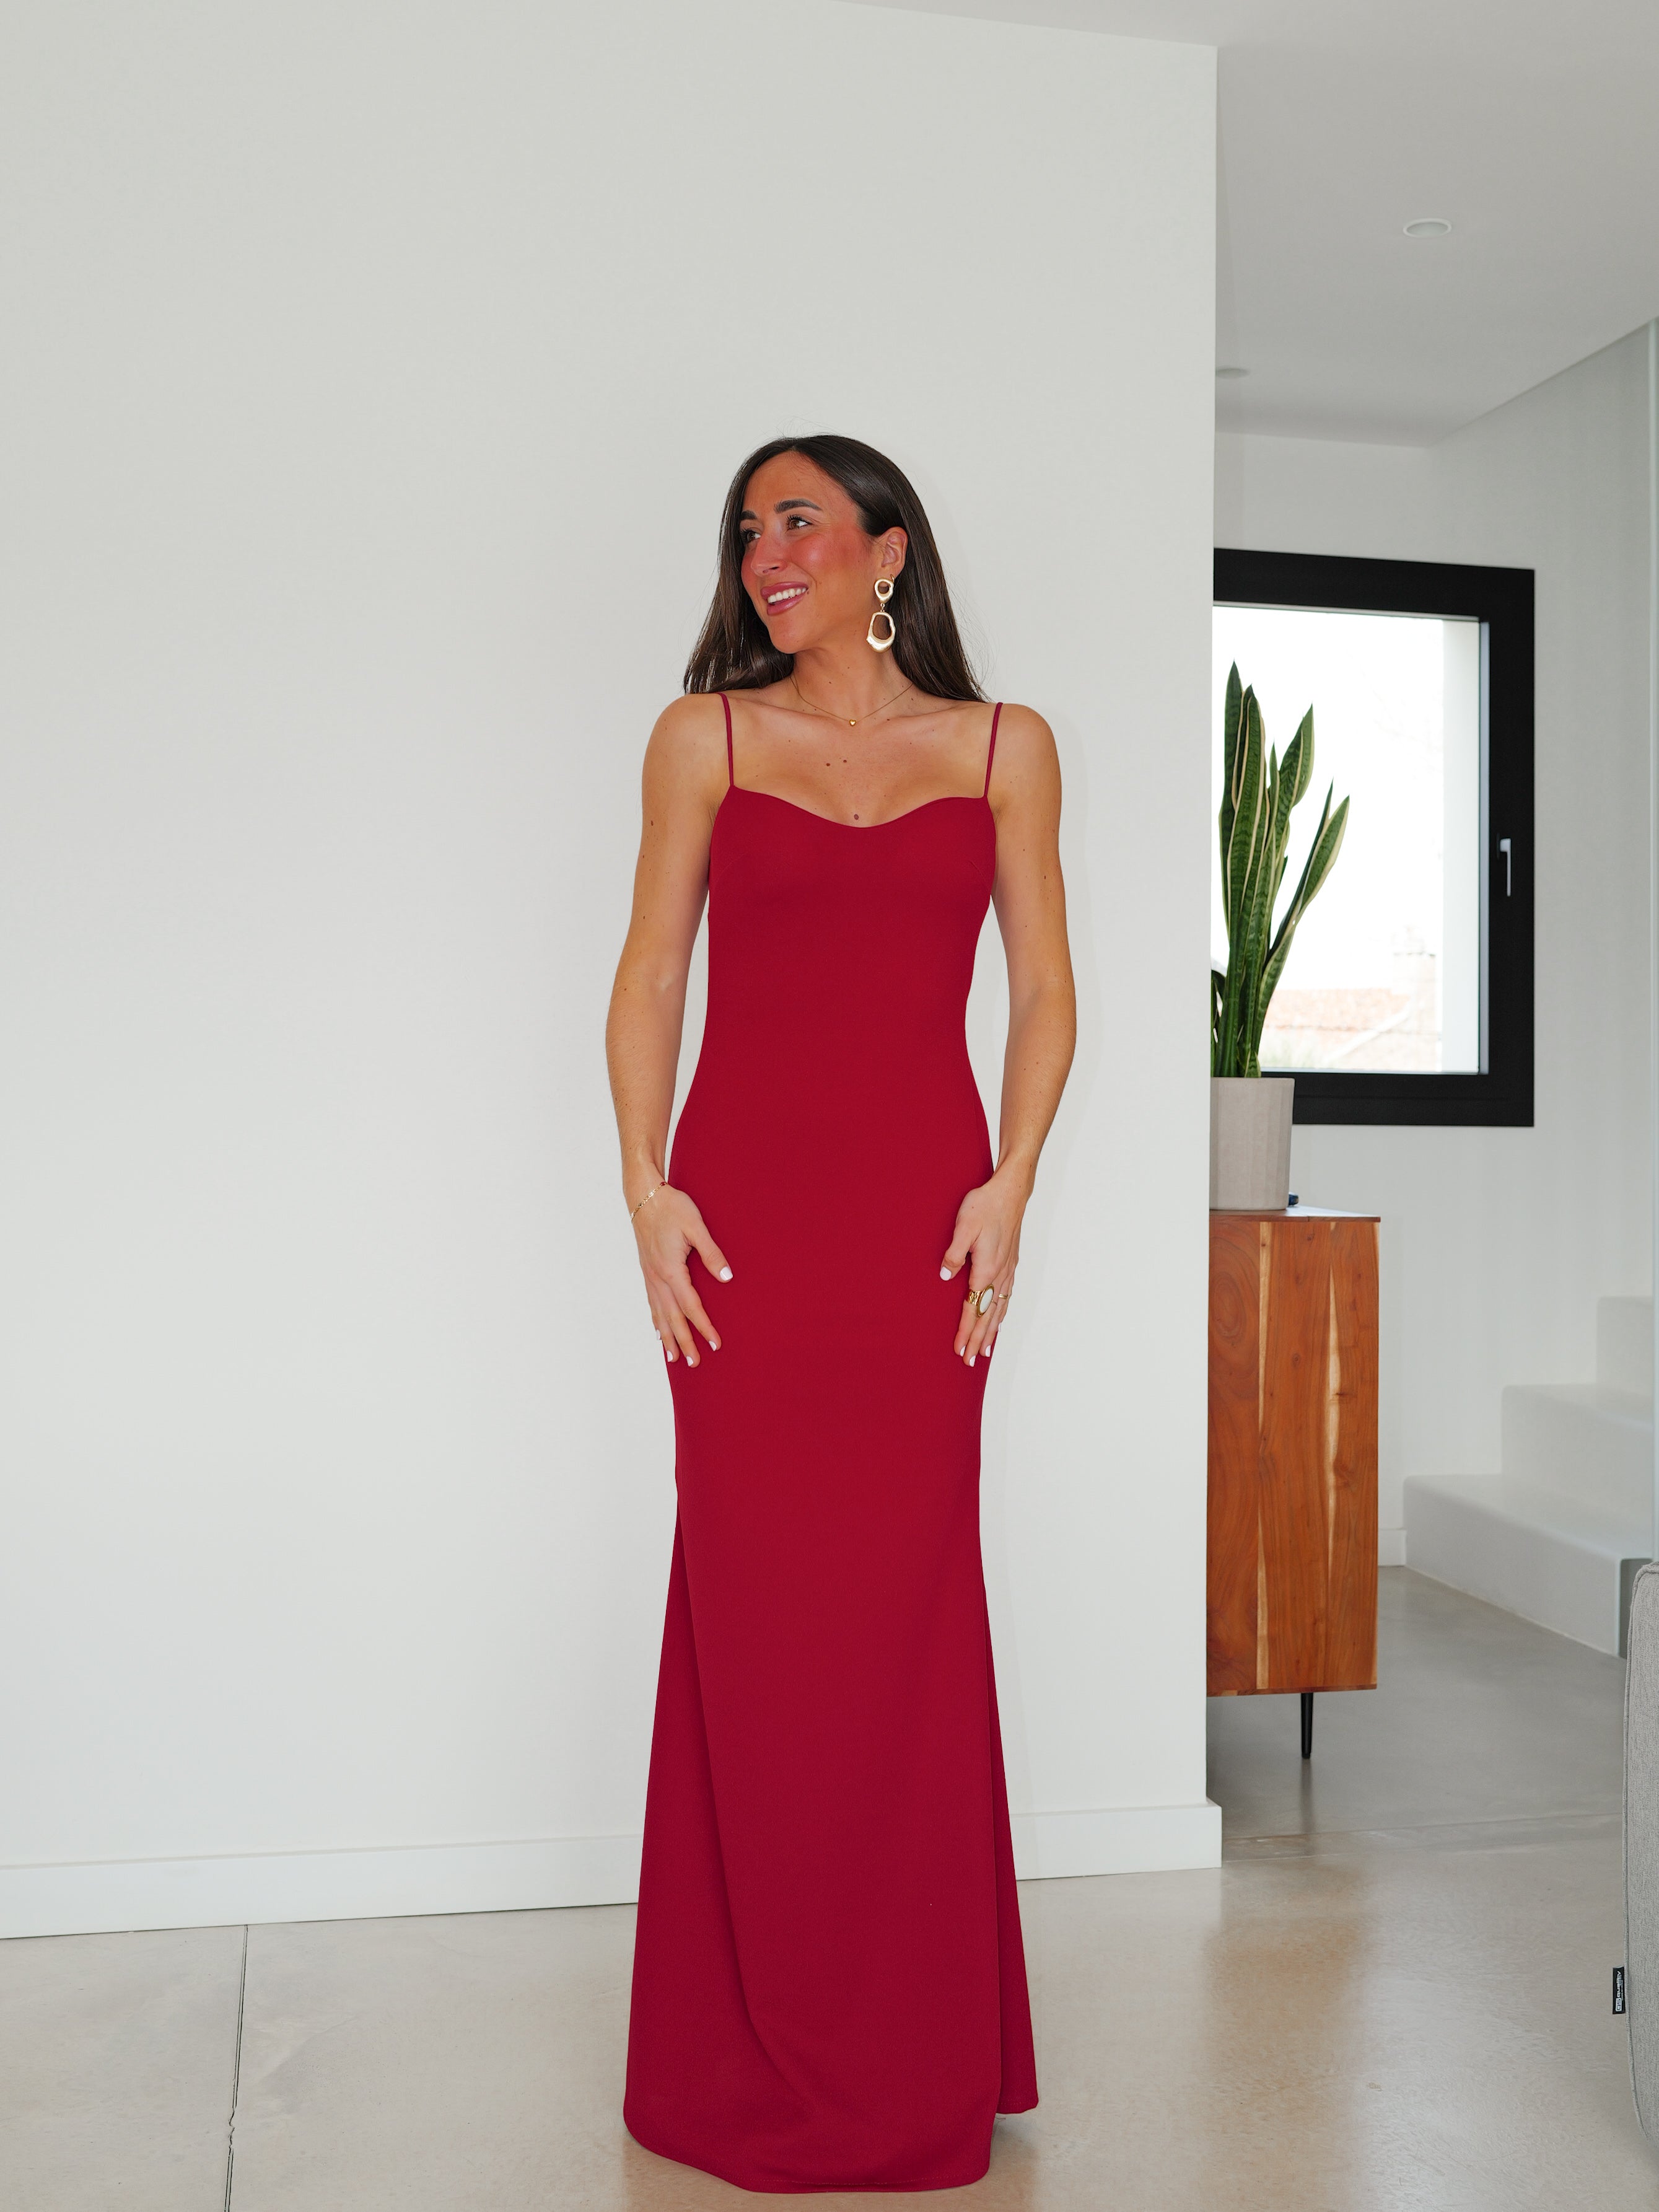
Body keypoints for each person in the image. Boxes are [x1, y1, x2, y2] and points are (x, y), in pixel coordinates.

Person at [604, 433, 1077, 2193]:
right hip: (744, 1239)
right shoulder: (705, 739)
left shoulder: (1005, 748)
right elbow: (652, 970)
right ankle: (745, 2034)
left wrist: (1010, 1181)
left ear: (889, 550)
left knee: (908, 1607)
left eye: (798, 520)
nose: (766, 554)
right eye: (747, 533)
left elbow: (1047, 988)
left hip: (918, 1239)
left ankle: (921, 2037)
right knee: (754, 1609)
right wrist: (645, 1186)